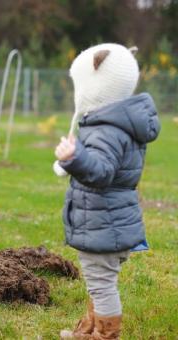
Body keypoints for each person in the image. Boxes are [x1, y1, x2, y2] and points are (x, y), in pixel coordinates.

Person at [54, 43, 160, 339]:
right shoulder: (117, 124)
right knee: (97, 280)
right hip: (109, 220)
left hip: (103, 223)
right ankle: (90, 329)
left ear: (94, 86)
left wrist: (74, 159)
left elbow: (101, 173)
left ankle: (106, 335)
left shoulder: (106, 130)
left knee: (102, 284)